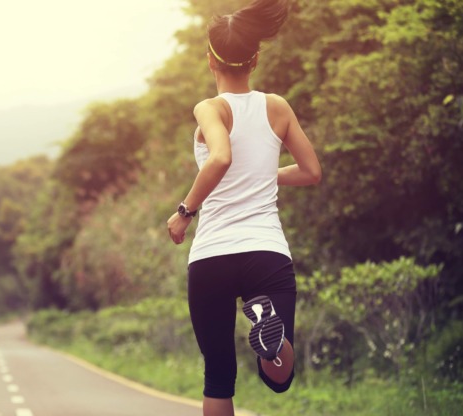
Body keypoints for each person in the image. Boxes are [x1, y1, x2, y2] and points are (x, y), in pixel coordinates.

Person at [166, 1, 322, 415]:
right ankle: (271, 336)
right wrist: (263, 176)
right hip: (265, 252)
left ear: (209, 60)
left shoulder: (210, 108)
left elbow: (220, 158)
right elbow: (310, 171)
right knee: (279, 377)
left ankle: (269, 335)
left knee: (218, 378)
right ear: (255, 58)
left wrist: (184, 212)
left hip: (212, 256)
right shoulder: (277, 106)